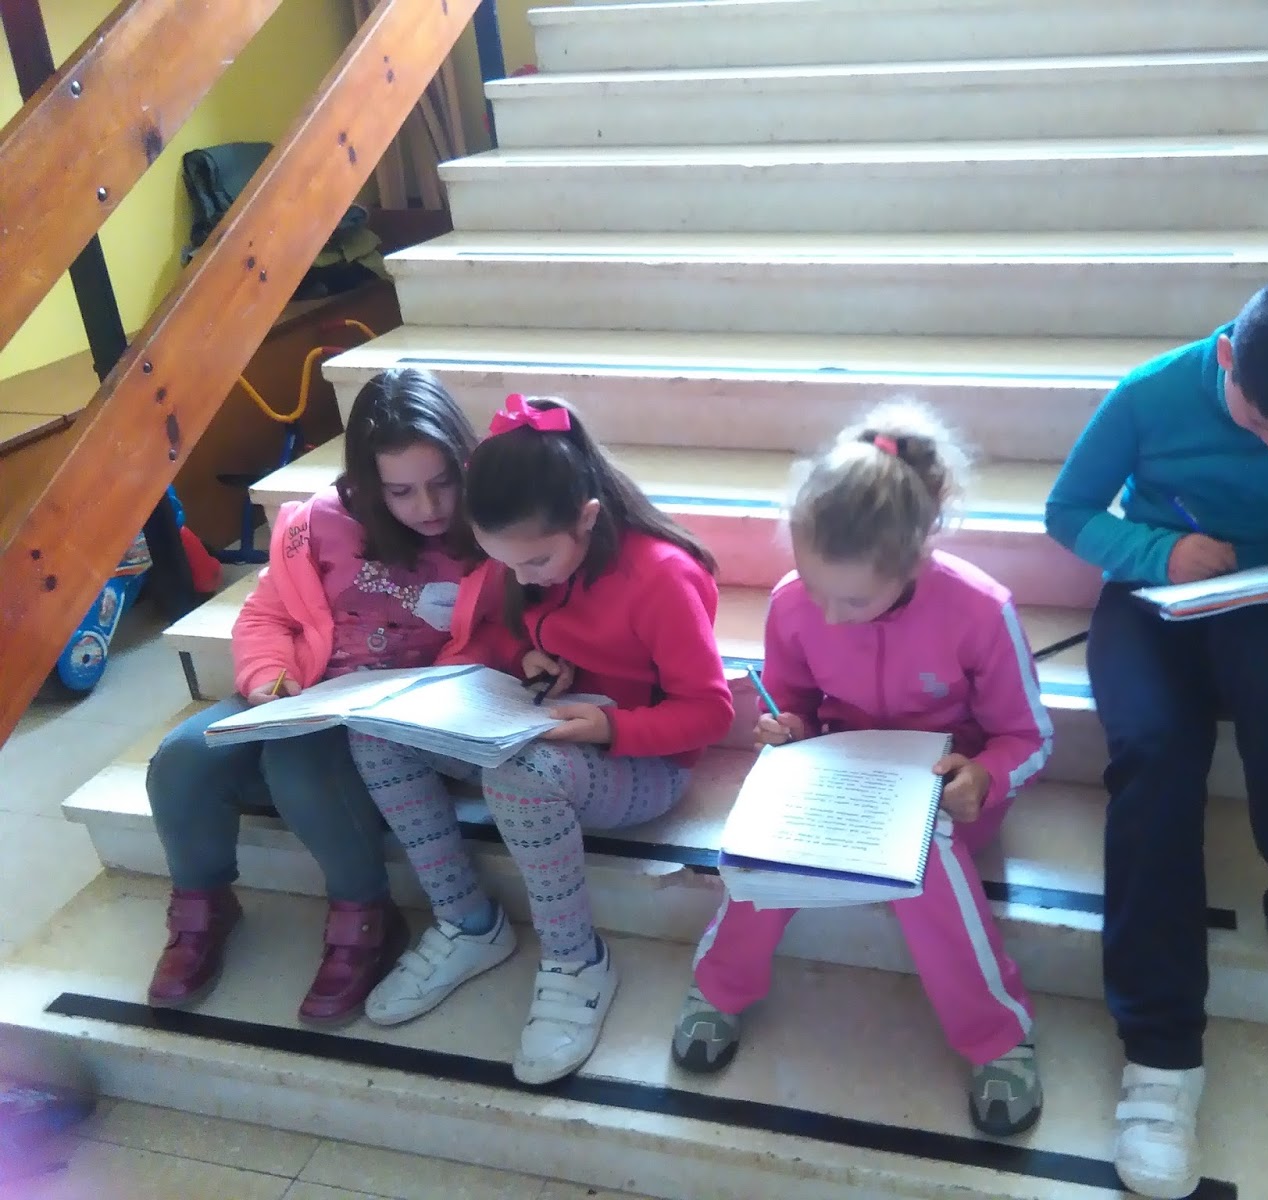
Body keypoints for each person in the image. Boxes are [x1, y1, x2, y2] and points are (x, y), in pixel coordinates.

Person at [1044, 274, 1268, 1198]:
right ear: (1227, 355)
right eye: (1260, 419)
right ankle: (1160, 1057)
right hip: (1149, 599)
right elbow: (1068, 512)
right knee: (1155, 756)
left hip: (1266, 603)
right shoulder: (1149, 393)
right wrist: (1161, 552)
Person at [673, 400, 1053, 1138]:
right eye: (814, 587)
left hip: (946, 788)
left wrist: (985, 777)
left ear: (914, 561)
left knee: (926, 859)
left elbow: (1027, 735)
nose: (829, 615)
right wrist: (789, 729)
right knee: (761, 846)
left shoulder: (981, 611)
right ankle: (717, 987)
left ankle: (997, 1037)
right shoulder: (793, 604)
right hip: (842, 771)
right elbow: (795, 703)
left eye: (852, 599)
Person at [349, 394, 734, 1085]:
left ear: (587, 517)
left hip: (642, 761)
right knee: (378, 736)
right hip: (541, 727)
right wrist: (524, 655)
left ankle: (575, 960)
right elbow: (502, 630)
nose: (521, 576)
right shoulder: (521, 551)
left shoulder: (660, 576)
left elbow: (708, 711)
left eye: (535, 562)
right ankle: (468, 923)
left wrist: (612, 725)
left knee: (520, 778)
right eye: (507, 563)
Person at [144, 367, 482, 1025]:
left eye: (443, 482)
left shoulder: (485, 527)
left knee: (297, 765)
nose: (428, 507)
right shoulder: (319, 525)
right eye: (401, 491)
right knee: (183, 758)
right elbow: (266, 615)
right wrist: (269, 683)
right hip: (306, 692)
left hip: (400, 720)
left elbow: (504, 629)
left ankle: (365, 915)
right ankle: (201, 909)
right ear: (367, 484)